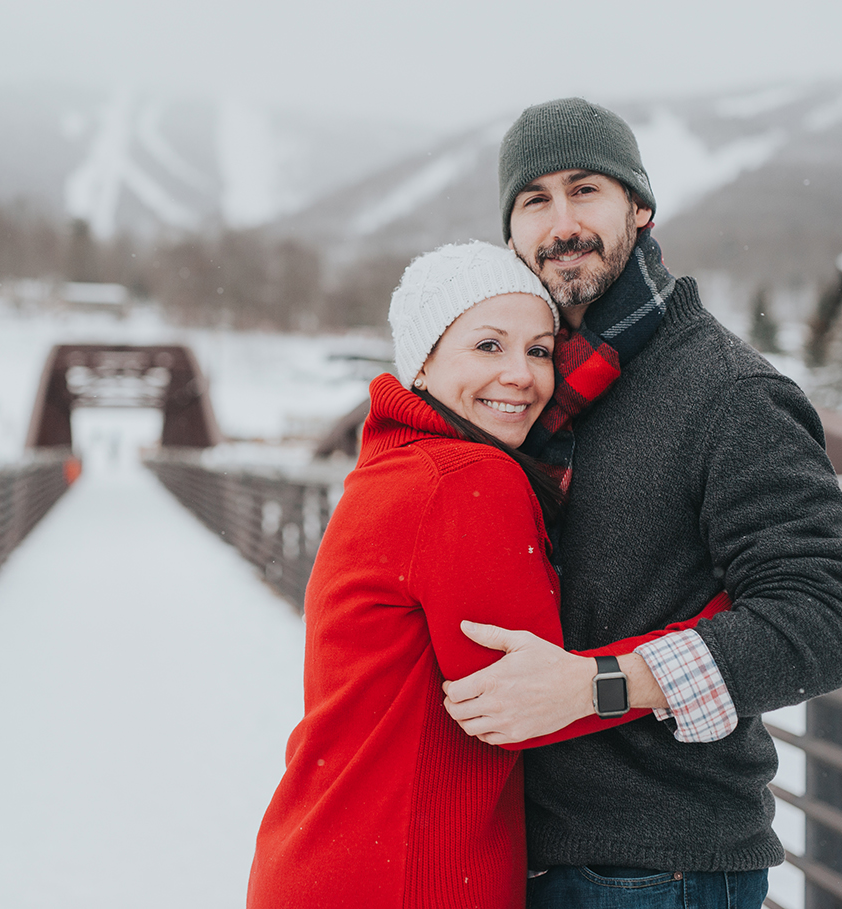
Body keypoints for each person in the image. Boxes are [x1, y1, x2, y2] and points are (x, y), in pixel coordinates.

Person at [439, 99, 842, 908]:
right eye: (535, 200)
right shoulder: (527, 388)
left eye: (585, 190)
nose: (562, 222)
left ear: (638, 206)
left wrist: (597, 684)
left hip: (664, 867)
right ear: (511, 234)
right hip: (519, 845)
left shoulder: (730, 392)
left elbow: (818, 620)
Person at [246, 241, 729, 909]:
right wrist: (718, 616)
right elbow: (522, 705)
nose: (522, 376)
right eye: (488, 346)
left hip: (331, 852)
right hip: (405, 877)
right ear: (423, 362)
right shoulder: (466, 478)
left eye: (538, 351)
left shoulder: (392, 462)